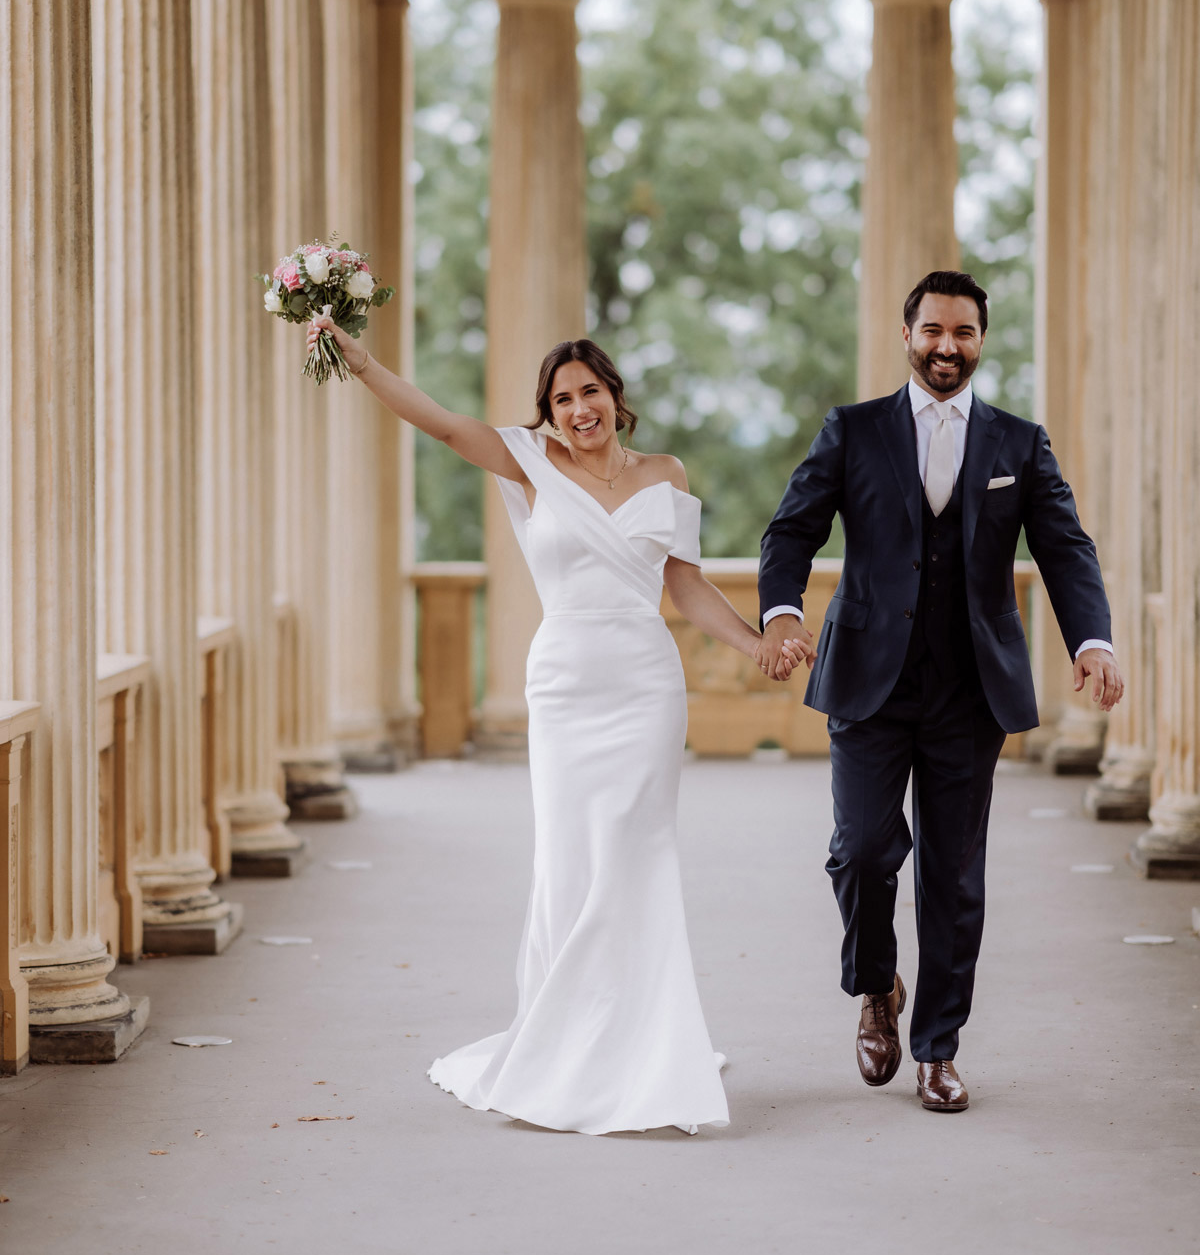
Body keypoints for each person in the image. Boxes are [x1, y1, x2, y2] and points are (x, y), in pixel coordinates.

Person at [307, 318, 795, 1135]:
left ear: (615, 397)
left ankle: (644, 1044)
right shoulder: (528, 463)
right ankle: (566, 1041)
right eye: (562, 399)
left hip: (645, 686)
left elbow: (686, 588)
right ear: (548, 411)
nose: (579, 410)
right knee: (572, 859)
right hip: (567, 685)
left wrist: (754, 642)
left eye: (590, 392)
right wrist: (362, 361)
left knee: (638, 856)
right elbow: (437, 419)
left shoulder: (665, 474)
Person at [755, 269, 1123, 1113]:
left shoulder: (1019, 444)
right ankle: (875, 986)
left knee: (955, 877)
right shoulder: (852, 431)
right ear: (908, 333)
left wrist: (1092, 639)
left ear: (981, 340)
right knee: (860, 850)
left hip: (971, 690)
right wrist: (780, 613)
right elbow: (792, 529)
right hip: (867, 683)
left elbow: (1066, 550)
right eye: (932, 331)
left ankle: (937, 1047)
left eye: (962, 333)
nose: (947, 347)